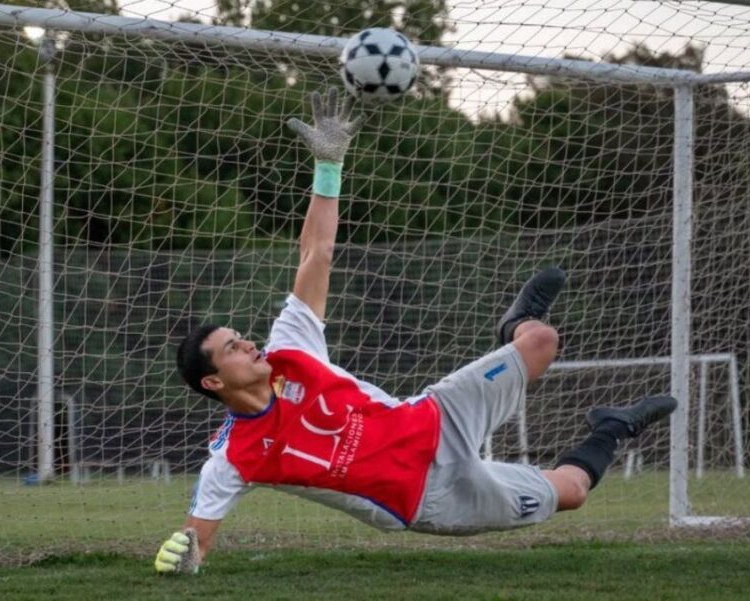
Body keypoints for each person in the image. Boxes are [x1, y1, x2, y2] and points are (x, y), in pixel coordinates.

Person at [154, 89, 677, 574]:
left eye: (240, 336)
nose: (247, 343)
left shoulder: (290, 348)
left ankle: (513, 325)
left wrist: (329, 165)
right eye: (232, 349)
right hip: (430, 497)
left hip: (434, 416)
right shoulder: (234, 457)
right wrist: (182, 557)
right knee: (571, 492)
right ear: (214, 382)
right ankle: (614, 427)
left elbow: (316, 253)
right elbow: (197, 537)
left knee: (540, 341)